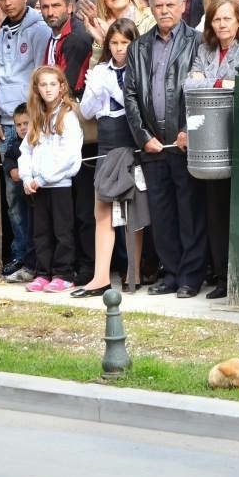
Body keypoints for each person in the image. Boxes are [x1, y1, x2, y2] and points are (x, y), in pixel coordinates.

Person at [124, 0, 207, 298]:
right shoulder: (138, 46)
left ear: (183, 6)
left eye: (170, 5)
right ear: (151, 9)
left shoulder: (197, 41)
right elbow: (131, 95)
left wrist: (189, 130)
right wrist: (143, 137)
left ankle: (191, 276)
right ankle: (171, 273)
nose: (164, 11)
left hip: (184, 143)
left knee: (190, 212)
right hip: (153, 145)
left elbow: (202, 89)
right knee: (161, 214)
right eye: (158, 5)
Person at [185, 0, 239, 299]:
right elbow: (189, 85)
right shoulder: (205, 50)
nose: (222, 24)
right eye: (216, 19)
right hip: (210, 140)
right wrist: (222, 83)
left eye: (227, 18)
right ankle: (221, 275)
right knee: (214, 211)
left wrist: (210, 81)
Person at [73, 18, 138, 297]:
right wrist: (96, 90)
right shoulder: (100, 70)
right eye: (114, 43)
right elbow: (87, 111)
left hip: (131, 138)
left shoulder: (138, 68)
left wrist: (112, 89)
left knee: (134, 210)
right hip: (107, 139)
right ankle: (100, 277)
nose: (119, 48)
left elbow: (136, 106)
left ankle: (134, 273)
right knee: (102, 210)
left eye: (125, 43)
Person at [0, 0, 52, 282]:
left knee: (34, 195)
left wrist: (34, 120)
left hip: (29, 123)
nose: (7, 3)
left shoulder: (39, 30)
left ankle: (37, 257)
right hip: (5, 124)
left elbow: (40, 76)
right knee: (13, 198)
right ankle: (20, 253)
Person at [17, 65, 83, 293]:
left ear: (62, 87)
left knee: (62, 231)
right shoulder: (36, 118)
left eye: (53, 84)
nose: (48, 89)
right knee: (41, 232)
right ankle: (43, 273)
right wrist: (27, 177)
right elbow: (26, 150)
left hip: (59, 184)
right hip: (37, 186)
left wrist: (44, 178)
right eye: (43, 84)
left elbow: (68, 155)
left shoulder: (68, 116)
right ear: (36, 88)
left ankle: (64, 274)